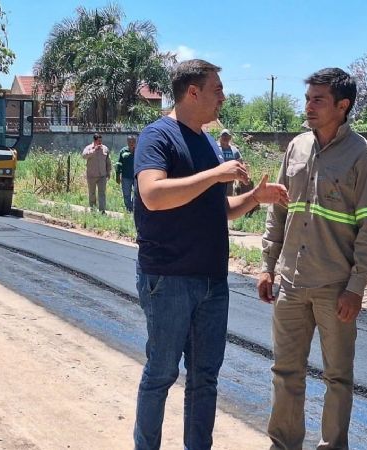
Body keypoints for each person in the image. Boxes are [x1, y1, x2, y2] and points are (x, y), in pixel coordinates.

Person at [133, 59, 288, 450]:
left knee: (204, 378)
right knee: (161, 373)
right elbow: (152, 195)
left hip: (211, 282)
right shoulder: (158, 137)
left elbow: (216, 210)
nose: (223, 96)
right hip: (168, 279)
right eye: (217, 89)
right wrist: (216, 175)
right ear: (193, 92)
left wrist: (253, 198)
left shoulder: (204, 141)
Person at [257, 68, 367, 450]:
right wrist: (267, 266)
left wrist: (356, 287)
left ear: (342, 106)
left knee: (337, 378)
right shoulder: (296, 148)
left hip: (335, 288)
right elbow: (278, 212)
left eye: (318, 100)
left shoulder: (365, 157)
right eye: (308, 97)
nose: (308, 106)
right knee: (285, 372)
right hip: (291, 285)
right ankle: (283, 444)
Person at [81, 133, 111, 212]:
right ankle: (93, 209)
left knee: (102, 193)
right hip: (91, 175)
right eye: (98, 141)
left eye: (101, 141)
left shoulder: (105, 149)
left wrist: (108, 172)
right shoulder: (88, 148)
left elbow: (108, 162)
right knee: (92, 193)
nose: (100, 143)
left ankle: (102, 211)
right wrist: (94, 150)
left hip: (102, 176)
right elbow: (84, 156)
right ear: (94, 141)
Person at [114, 135, 137, 212]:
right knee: (126, 194)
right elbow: (119, 164)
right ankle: (129, 209)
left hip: (137, 177)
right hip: (126, 177)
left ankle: (134, 208)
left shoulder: (138, 151)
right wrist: (117, 175)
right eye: (130, 141)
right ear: (127, 142)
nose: (131, 143)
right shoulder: (123, 151)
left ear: (135, 142)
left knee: (137, 193)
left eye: (133, 142)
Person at [218, 129, 243, 195]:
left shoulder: (234, 150)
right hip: (217, 181)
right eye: (224, 136)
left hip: (230, 181)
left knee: (228, 200)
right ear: (220, 137)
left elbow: (240, 163)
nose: (225, 138)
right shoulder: (216, 148)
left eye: (227, 136)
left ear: (230, 138)